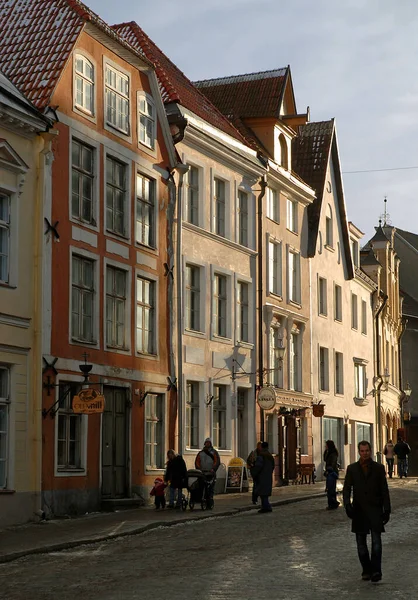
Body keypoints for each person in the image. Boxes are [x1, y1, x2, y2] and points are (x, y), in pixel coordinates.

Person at [343, 440, 391, 583]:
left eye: (367, 451)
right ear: (359, 452)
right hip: (359, 510)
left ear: (370, 451)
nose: (365, 453)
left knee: (376, 542)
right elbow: (346, 489)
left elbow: (384, 490)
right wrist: (347, 505)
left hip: (375, 509)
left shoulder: (378, 468)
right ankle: (366, 570)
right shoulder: (352, 469)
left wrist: (387, 509)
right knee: (361, 544)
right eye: (362, 451)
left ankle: (376, 571)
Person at [251, 441, 275, 513]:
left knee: (262, 493)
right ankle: (265, 507)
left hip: (261, 477)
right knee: (265, 493)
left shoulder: (261, 456)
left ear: (262, 447)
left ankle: (266, 507)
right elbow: (273, 466)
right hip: (268, 476)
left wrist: (253, 473)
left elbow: (258, 467)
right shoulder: (270, 456)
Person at [195, 438, 220, 504]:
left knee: (210, 487)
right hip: (202, 472)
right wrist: (198, 468)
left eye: (208, 443)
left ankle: (209, 500)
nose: (207, 444)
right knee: (201, 485)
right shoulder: (201, 453)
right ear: (204, 444)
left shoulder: (214, 452)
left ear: (210, 444)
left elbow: (217, 461)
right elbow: (197, 461)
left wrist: (213, 469)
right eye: (206, 442)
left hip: (210, 473)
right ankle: (201, 498)